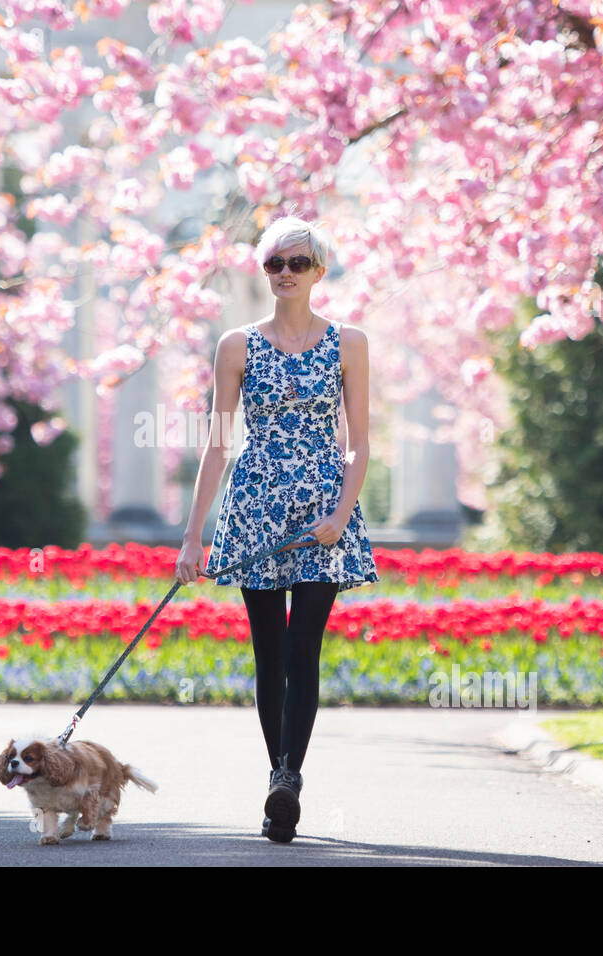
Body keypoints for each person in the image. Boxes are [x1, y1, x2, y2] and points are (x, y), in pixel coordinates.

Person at [176, 215, 378, 844]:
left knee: (303, 650)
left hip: (322, 510)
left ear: (319, 271)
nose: (285, 274)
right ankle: (280, 776)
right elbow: (217, 444)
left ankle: (287, 776)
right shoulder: (236, 344)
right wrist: (192, 536)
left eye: (297, 263)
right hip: (254, 505)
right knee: (269, 655)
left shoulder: (350, 343)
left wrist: (341, 514)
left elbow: (361, 442)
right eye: (274, 264)